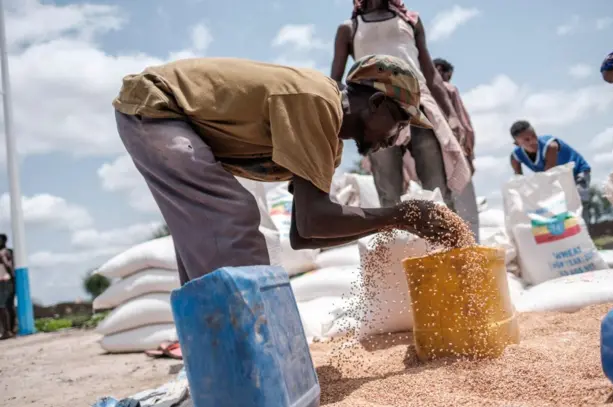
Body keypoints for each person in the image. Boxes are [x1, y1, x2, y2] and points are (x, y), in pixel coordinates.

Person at [113, 54, 470, 286]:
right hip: (157, 108)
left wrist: (396, 220)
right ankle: (251, 363)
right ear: (377, 104)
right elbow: (315, 222)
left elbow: (306, 233)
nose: (395, 140)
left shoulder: (328, 143)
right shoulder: (316, 102)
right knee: (231, 216)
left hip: (163, 117)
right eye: (398, 124)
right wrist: (404, 215)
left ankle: (223, 365)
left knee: (207, 246)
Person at [330, 0, 471, 210]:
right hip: (376, 112)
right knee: (389, 191)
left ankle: (447, 239)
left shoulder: (410, 21)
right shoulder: (349, 29)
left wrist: (451, 116)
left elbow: (430, 74)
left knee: (436, 186)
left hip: (418, 106)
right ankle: (396, 240)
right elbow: (335, 81)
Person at [509, 121, 592, 224]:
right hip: (556, 177)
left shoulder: (550, 146)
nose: (533, 141)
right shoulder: (515, 157)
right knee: (555, 206)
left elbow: (548, 176)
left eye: (533, 135)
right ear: (517, 143)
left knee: (578, 201)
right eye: (526, 140)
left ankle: (583, 232)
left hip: (577, 172)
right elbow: (519, 181)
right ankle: (565, 234)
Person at [433, 58, 479, 241]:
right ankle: (474, 254)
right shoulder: (449, 90)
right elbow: (465, 126)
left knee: (443, 210)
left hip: (429, 160)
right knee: (466, 209)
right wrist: (470, 157)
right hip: (454, 155)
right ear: (439, 70)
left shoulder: (418, 92)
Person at [0, 234, 15, 339]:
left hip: (5, 281)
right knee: (8, 306)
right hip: (6, 281)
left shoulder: (4, 252)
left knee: (3, 306)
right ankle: (10, 330)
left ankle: (8, 331)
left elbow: (9, 266)